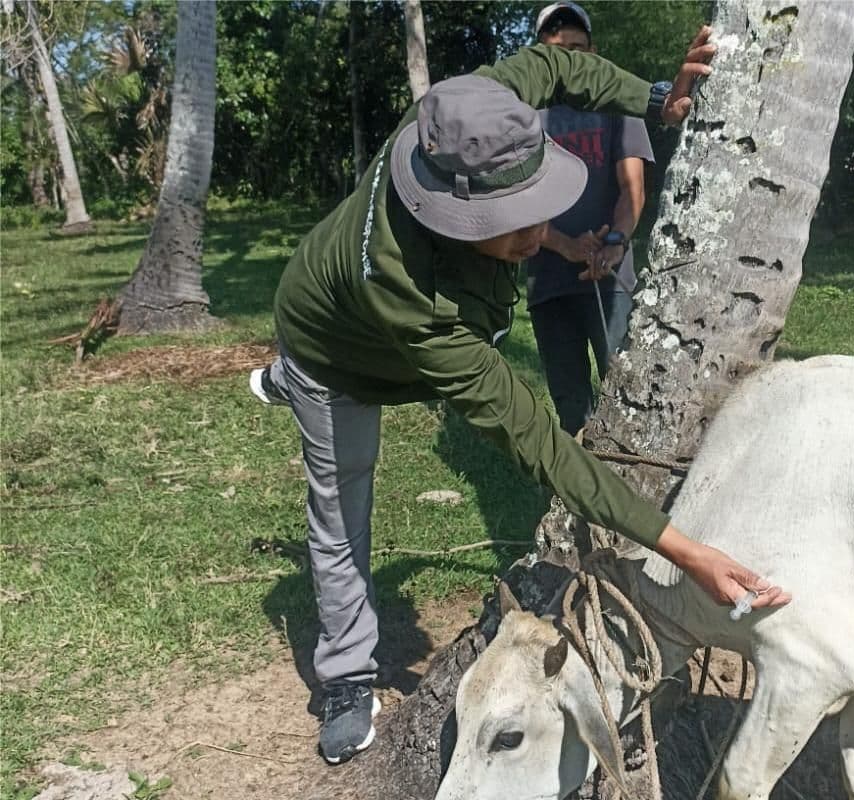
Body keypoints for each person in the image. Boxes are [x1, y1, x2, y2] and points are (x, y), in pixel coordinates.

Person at [248, 27, 790, 766]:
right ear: (453, 213)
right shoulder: (411, 294)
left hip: (397, 340)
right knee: (343, 498)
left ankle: (285, 380)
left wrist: (658, 100)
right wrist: (683, 548)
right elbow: (538, 442)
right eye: (512, 225)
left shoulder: (472, 117)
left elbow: (560, 64)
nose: (538, 235)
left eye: (541, 205)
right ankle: (344, 677)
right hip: (333, 351)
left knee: (416, 383)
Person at [526, 2, 653, 435]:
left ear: (593, 52)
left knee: (626, 393)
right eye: (558, 52)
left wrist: (615, 242)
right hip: (548, 281)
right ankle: (577, 474)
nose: (571, 60)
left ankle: (629, 470)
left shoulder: (619, 104)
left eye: (578, 49)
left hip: (610, 278)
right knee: (570, 404)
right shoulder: (524, 115)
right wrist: (564, 245)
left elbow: (633, 189)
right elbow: (514, 199)